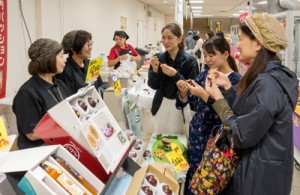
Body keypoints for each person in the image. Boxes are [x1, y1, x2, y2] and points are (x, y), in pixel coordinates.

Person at [205, 13, 298, 195]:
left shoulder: (267, 83)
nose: (237, 45)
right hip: (263, 171)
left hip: (257, 178)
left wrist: (218, 99)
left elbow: (241, 134)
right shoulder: (269, 76)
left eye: (241, 39)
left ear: (257, 43)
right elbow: (250, 113)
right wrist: (229, 88)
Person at [176, 33, 241, 195]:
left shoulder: (236, 81)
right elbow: (189, 100)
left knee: (207, 181)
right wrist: (184, 91)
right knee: (193, 176)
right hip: (197, 134)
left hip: (215, 142)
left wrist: (204, 95)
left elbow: (229, 116)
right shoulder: (205, 74)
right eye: (205, 55)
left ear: (226, 54)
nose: (207, 60)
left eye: (212, 55)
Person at [13, 38, 71, 149]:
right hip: (38, 152)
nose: (65, 60)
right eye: (61, 56)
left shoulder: (59, 84)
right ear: (48, 59)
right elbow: (32, 134)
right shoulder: (27, 93)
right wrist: (66, 129)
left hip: (59, 145)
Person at [148, 23, 198, 134]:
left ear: (179, 39)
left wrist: (176, 75)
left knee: (178, 140)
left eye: (170, 38)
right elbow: (152, 85)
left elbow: (193, 90)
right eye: (163, 38)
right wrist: (155, 70)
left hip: (180, 107)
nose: (166, 42)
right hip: (161, 104)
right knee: (160, 138)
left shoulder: (190, 61)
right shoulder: (158, 58)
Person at [56, 30, 104, 96]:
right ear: (73, 49)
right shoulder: (65, 70)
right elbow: (69, 99)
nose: (91, 48)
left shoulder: (91, 64)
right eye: (87, 45)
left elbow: (100, 87)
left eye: (91, 44)